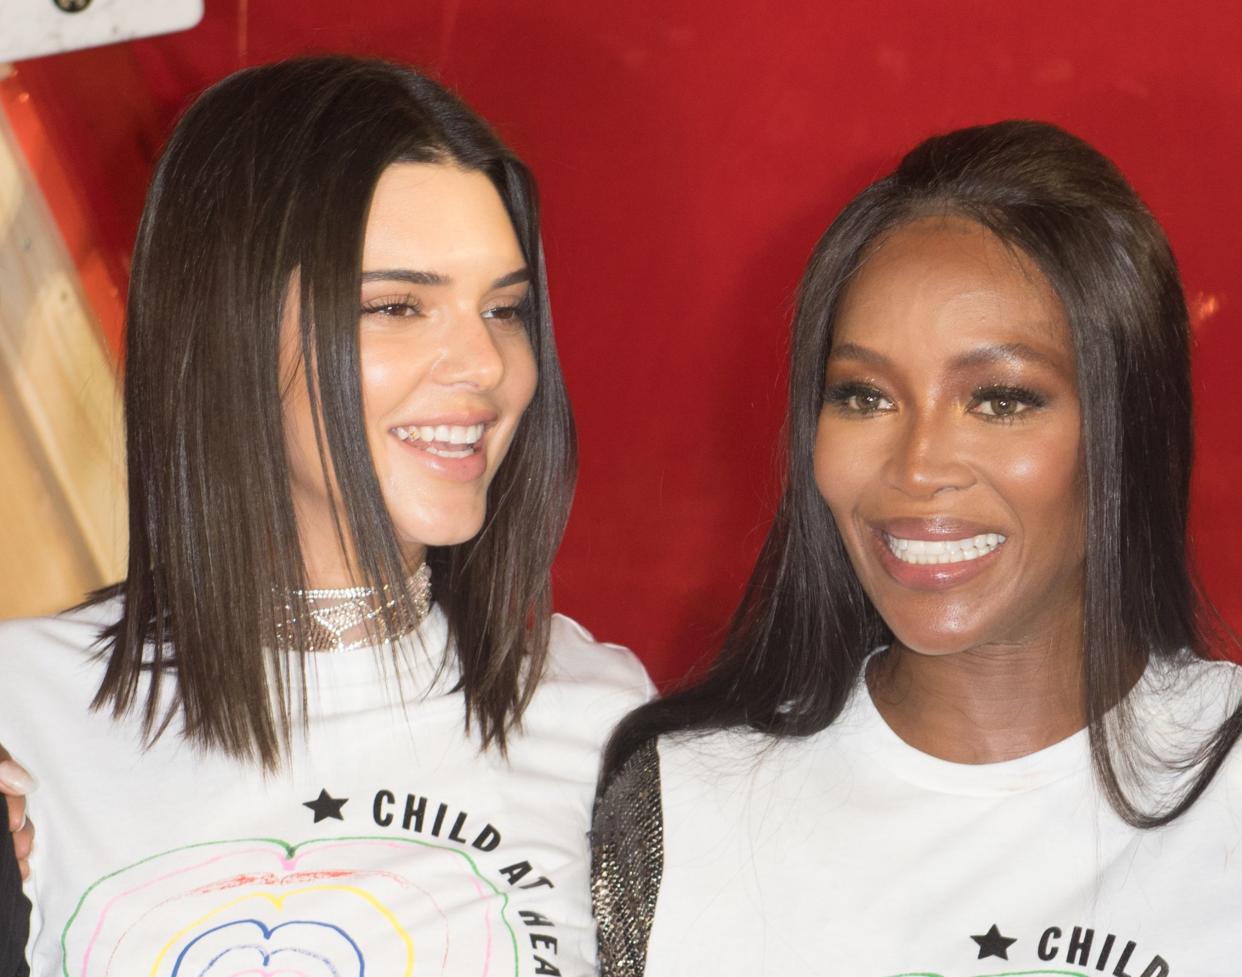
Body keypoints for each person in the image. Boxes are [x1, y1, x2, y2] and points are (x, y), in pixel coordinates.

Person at [0, 56, 650, 976]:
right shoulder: (22, 710)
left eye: (504, 309)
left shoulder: (603, 722)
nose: (487, 365)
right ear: (227, 326)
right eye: (396, 305)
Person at [593, 120, 1242, 975]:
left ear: (1130, 425)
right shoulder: (681, 805)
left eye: (1001, 399)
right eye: (864, 396)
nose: (918, 466)